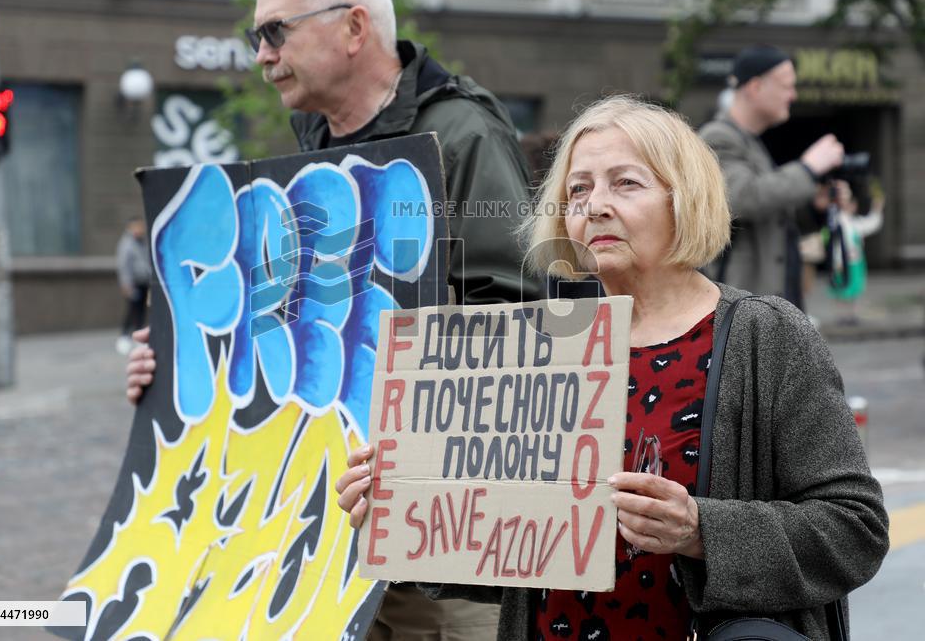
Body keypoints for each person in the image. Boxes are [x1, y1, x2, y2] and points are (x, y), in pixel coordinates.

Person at [336, 95, 888, 640]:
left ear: (685, 199)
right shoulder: (543, 344)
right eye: (578, 189)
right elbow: (520, 563)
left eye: (626, 183)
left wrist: (702, 531)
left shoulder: (766, 337)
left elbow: (855, 530)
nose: (594, 205)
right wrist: (404, 511)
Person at [126, 0, 541, 640]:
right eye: (258, 35)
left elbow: (526, 321)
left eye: (274, 32)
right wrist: (181, 364)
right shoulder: (311, 149)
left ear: (354, 29)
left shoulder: (462, 135)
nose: (261, 54)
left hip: (446, 549)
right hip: (325, 544)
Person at [700, 44, 846, 310]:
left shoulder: (750, 142)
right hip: (741, 310)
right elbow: (742, 199)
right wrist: (808, 169)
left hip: (762, 306)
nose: (793, 95)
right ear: (755, 87)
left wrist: (815, 207)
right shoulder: (717, 137)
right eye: (787, 86)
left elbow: (773, 221)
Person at [825, 180, 885, 324]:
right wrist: (837, 261)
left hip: (855, 262)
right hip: (841, 262)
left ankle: (852, 315)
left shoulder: (854, 222)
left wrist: (877, 208)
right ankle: (841, 315)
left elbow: (871, 223)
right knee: (840, 290)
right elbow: (836, 244)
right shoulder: (837, 220)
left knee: (854, 289)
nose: (852, 206)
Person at [115, 217, 151, 355]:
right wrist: (126, 285)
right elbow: (123, 265)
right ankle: (124, 336)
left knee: (141, 311)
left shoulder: (143, 242)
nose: (140, 229)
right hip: (133, 283)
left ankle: (137, 336)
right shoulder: (127, 244)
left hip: (144, 282)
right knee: (132, 310)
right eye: (137, 226)